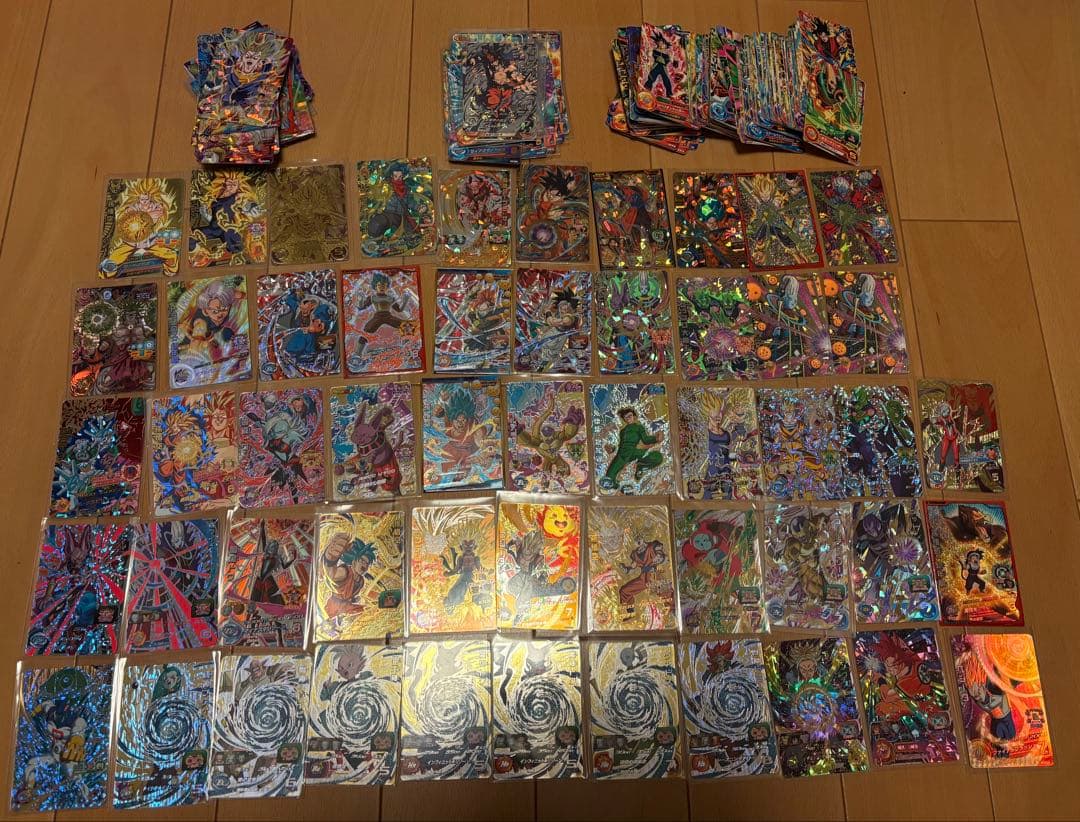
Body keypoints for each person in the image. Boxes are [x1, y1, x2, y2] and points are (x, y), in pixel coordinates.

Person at [603, 407, 663, 487]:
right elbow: (620, 444)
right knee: (609, 478)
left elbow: (645, 440)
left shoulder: (638, 427)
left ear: (634, 416)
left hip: (634, 452)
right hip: (621, 454)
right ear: (624, 419)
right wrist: (612, 448)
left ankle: (641, 467)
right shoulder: (622, 431)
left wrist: (656, 439)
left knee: (657, 457)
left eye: (630, 416)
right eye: (626, 417)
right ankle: (619, 487)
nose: (628, 418)